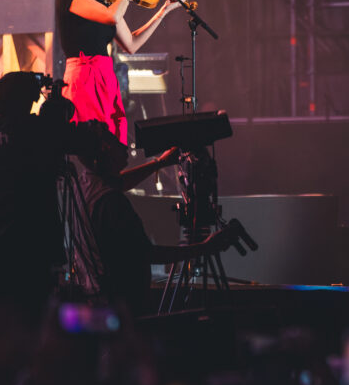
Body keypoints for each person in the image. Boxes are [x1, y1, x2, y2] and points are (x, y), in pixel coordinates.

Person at [74, 122, 244, 315]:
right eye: (115, 141)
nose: (123, 145)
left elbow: (118, 182)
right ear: (105, 150)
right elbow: (148, 254)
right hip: (122, 311)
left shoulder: (85, 185)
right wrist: (205, 247)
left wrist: (160, 163)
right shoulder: (112, 202)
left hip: (96, 301)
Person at [0, 72, 76, 327]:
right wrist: (54, 97)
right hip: (24, 262)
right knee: (27, 346)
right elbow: (63, 114)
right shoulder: (28, 129)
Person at [56, 0, 187, 144]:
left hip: (105, 76)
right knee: (95, 144)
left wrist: (163, 11)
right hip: (85, 78)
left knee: (114, 145)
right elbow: (111, 17)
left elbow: (131, 44)